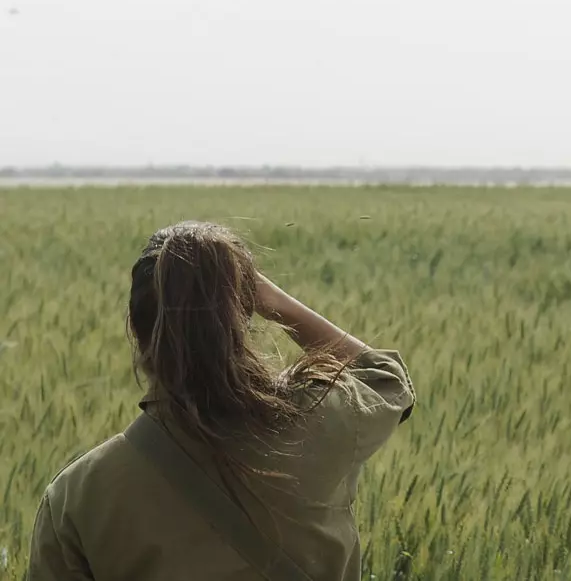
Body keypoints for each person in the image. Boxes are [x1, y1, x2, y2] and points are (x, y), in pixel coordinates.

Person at [27, 221, 415, 581]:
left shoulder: (78, 495)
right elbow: (384, 378)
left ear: (136, 328)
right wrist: (273, 300)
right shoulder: (323, 422)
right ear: (241, 320)